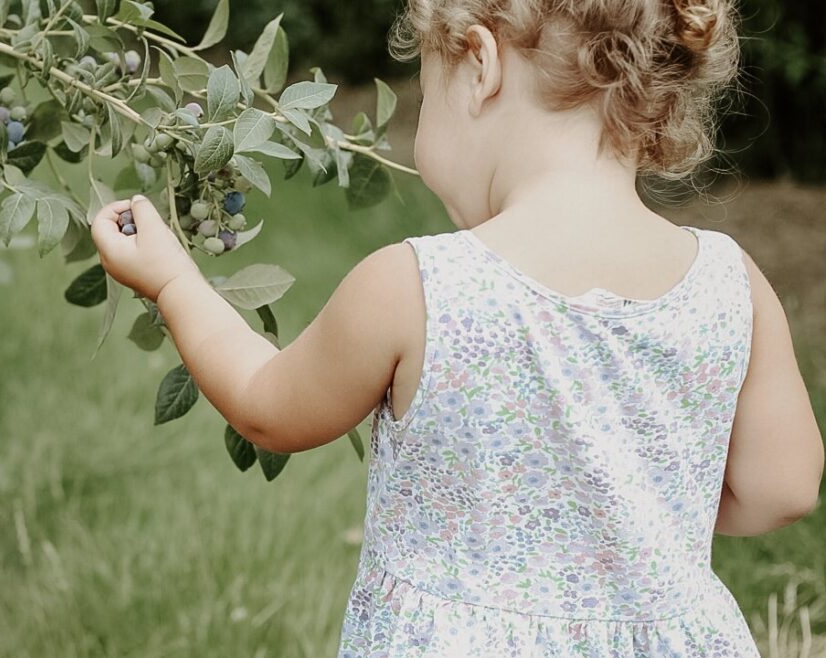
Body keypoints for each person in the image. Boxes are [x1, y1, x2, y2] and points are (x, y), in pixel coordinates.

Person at [89, 0, 824, 653]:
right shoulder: (732, 283)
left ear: (479, 64)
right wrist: (625, 523)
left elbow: (266, 405)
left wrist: (172, 278)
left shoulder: (418, 287)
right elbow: (783, 488)